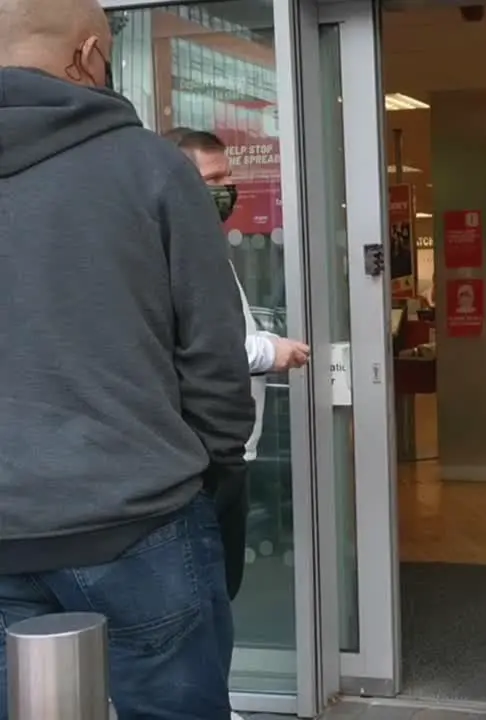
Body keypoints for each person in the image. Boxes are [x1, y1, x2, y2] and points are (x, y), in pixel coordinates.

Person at [0, 0, 254, 717]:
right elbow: (212, 353)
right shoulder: (150, 166)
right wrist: (214, 471)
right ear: (86, 56)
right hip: (141, 519)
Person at [165, 127, 310, 720]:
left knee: (220, 596)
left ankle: (214, 703)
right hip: (200, 459)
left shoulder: (210, 251)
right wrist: (268, 352)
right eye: (214, 181)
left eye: (230, 178)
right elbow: (196, 347)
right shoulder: (169, 252)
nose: (229, 191)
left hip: (231, 455)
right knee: (199, 603)